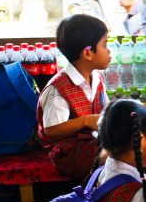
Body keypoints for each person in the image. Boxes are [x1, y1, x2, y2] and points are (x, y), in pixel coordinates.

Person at [36, 14, 111, 181]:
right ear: (88, 53)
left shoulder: (96, 78)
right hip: (68, 152)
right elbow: (51, 130)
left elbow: (106, 107)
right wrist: (85, 121)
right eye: (105, 45)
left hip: (90, 142)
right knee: (119, 152)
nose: (109, 51)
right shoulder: (58, 88)